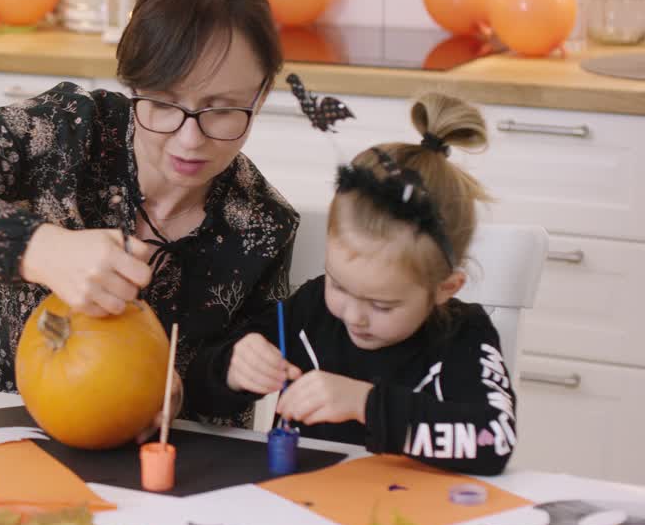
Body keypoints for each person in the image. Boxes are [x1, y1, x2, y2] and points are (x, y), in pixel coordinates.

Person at [0, 0, 298, 427]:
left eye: (222, 110)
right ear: (133, 82)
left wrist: (184, 396)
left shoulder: (263, 225)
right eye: (163, 102)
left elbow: (232, 399)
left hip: (136, 458)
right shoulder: (61, 131)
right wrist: (39, 249)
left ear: (261, 95)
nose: (189, 139)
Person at [192, 91, 517, 475]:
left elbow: (493, 440)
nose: (354, 316)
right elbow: (201, 389)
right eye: (339, 286)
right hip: (302, 502)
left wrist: (366, 404)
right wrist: (231, 367)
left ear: (445, 288)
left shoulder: (465, 335)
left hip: (413, 508)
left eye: (382, 305)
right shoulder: (310, 309)